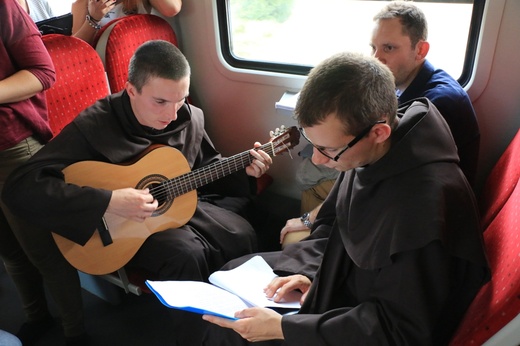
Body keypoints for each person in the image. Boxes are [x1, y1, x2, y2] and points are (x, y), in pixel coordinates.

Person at [201, 51, 490, 345]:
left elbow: (400, 328)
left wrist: (285, 329)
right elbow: (332, 222)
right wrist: (311, 275)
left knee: (231, 331)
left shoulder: (423, 209)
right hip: (346, 285)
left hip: (373, 322)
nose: (318, 159)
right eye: (313, 143)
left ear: (378, 132)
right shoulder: (370, 153)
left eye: (327, 149)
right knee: (228, 277)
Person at [2, 39, 272, 344]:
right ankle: (199, 338)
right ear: (131, 90)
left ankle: (242, 324)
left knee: (242, 232)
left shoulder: (189, 117)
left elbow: (204, 168)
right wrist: (108, 201)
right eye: (160, 102)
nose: (172, 114)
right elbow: (21, 187)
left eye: (180, 99)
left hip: (175, 208)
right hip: (121, 229)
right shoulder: (95, 125)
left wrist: (244, 172)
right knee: (187, 254)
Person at [280, 0, 481, 246]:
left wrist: (310, 219)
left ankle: (313, 240)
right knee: (311, 168)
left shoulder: (436, 104)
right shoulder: (400, 83)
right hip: (393, 183)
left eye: (389, 48)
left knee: (311, 180)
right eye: (373, 47)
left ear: (420, 50)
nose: (377, 59)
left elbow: (384, 171)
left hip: (422, 209)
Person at [0, 1, 73, 345]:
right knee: (9, 249)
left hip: (13, 145)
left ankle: (76, 333)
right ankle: (36, 318)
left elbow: (43, 72)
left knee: (42, 250)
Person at [71, 0, 182, 46]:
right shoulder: (83, 3)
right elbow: (77, 48)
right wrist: (93, 19)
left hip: (145, 61)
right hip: (108, 71)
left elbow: (172, 9)